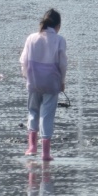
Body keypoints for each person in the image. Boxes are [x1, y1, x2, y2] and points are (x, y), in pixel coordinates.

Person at [20, 9, 67, 161]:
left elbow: (24, 62)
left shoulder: (31, 38)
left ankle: (32, 147)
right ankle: (45, 153)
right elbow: (63, 64)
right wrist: (62, 81)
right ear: (58, 26)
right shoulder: (59, 40)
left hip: (34, 80)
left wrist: (27, 77)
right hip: (51, 82)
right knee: (47, 115)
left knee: (33, 111)